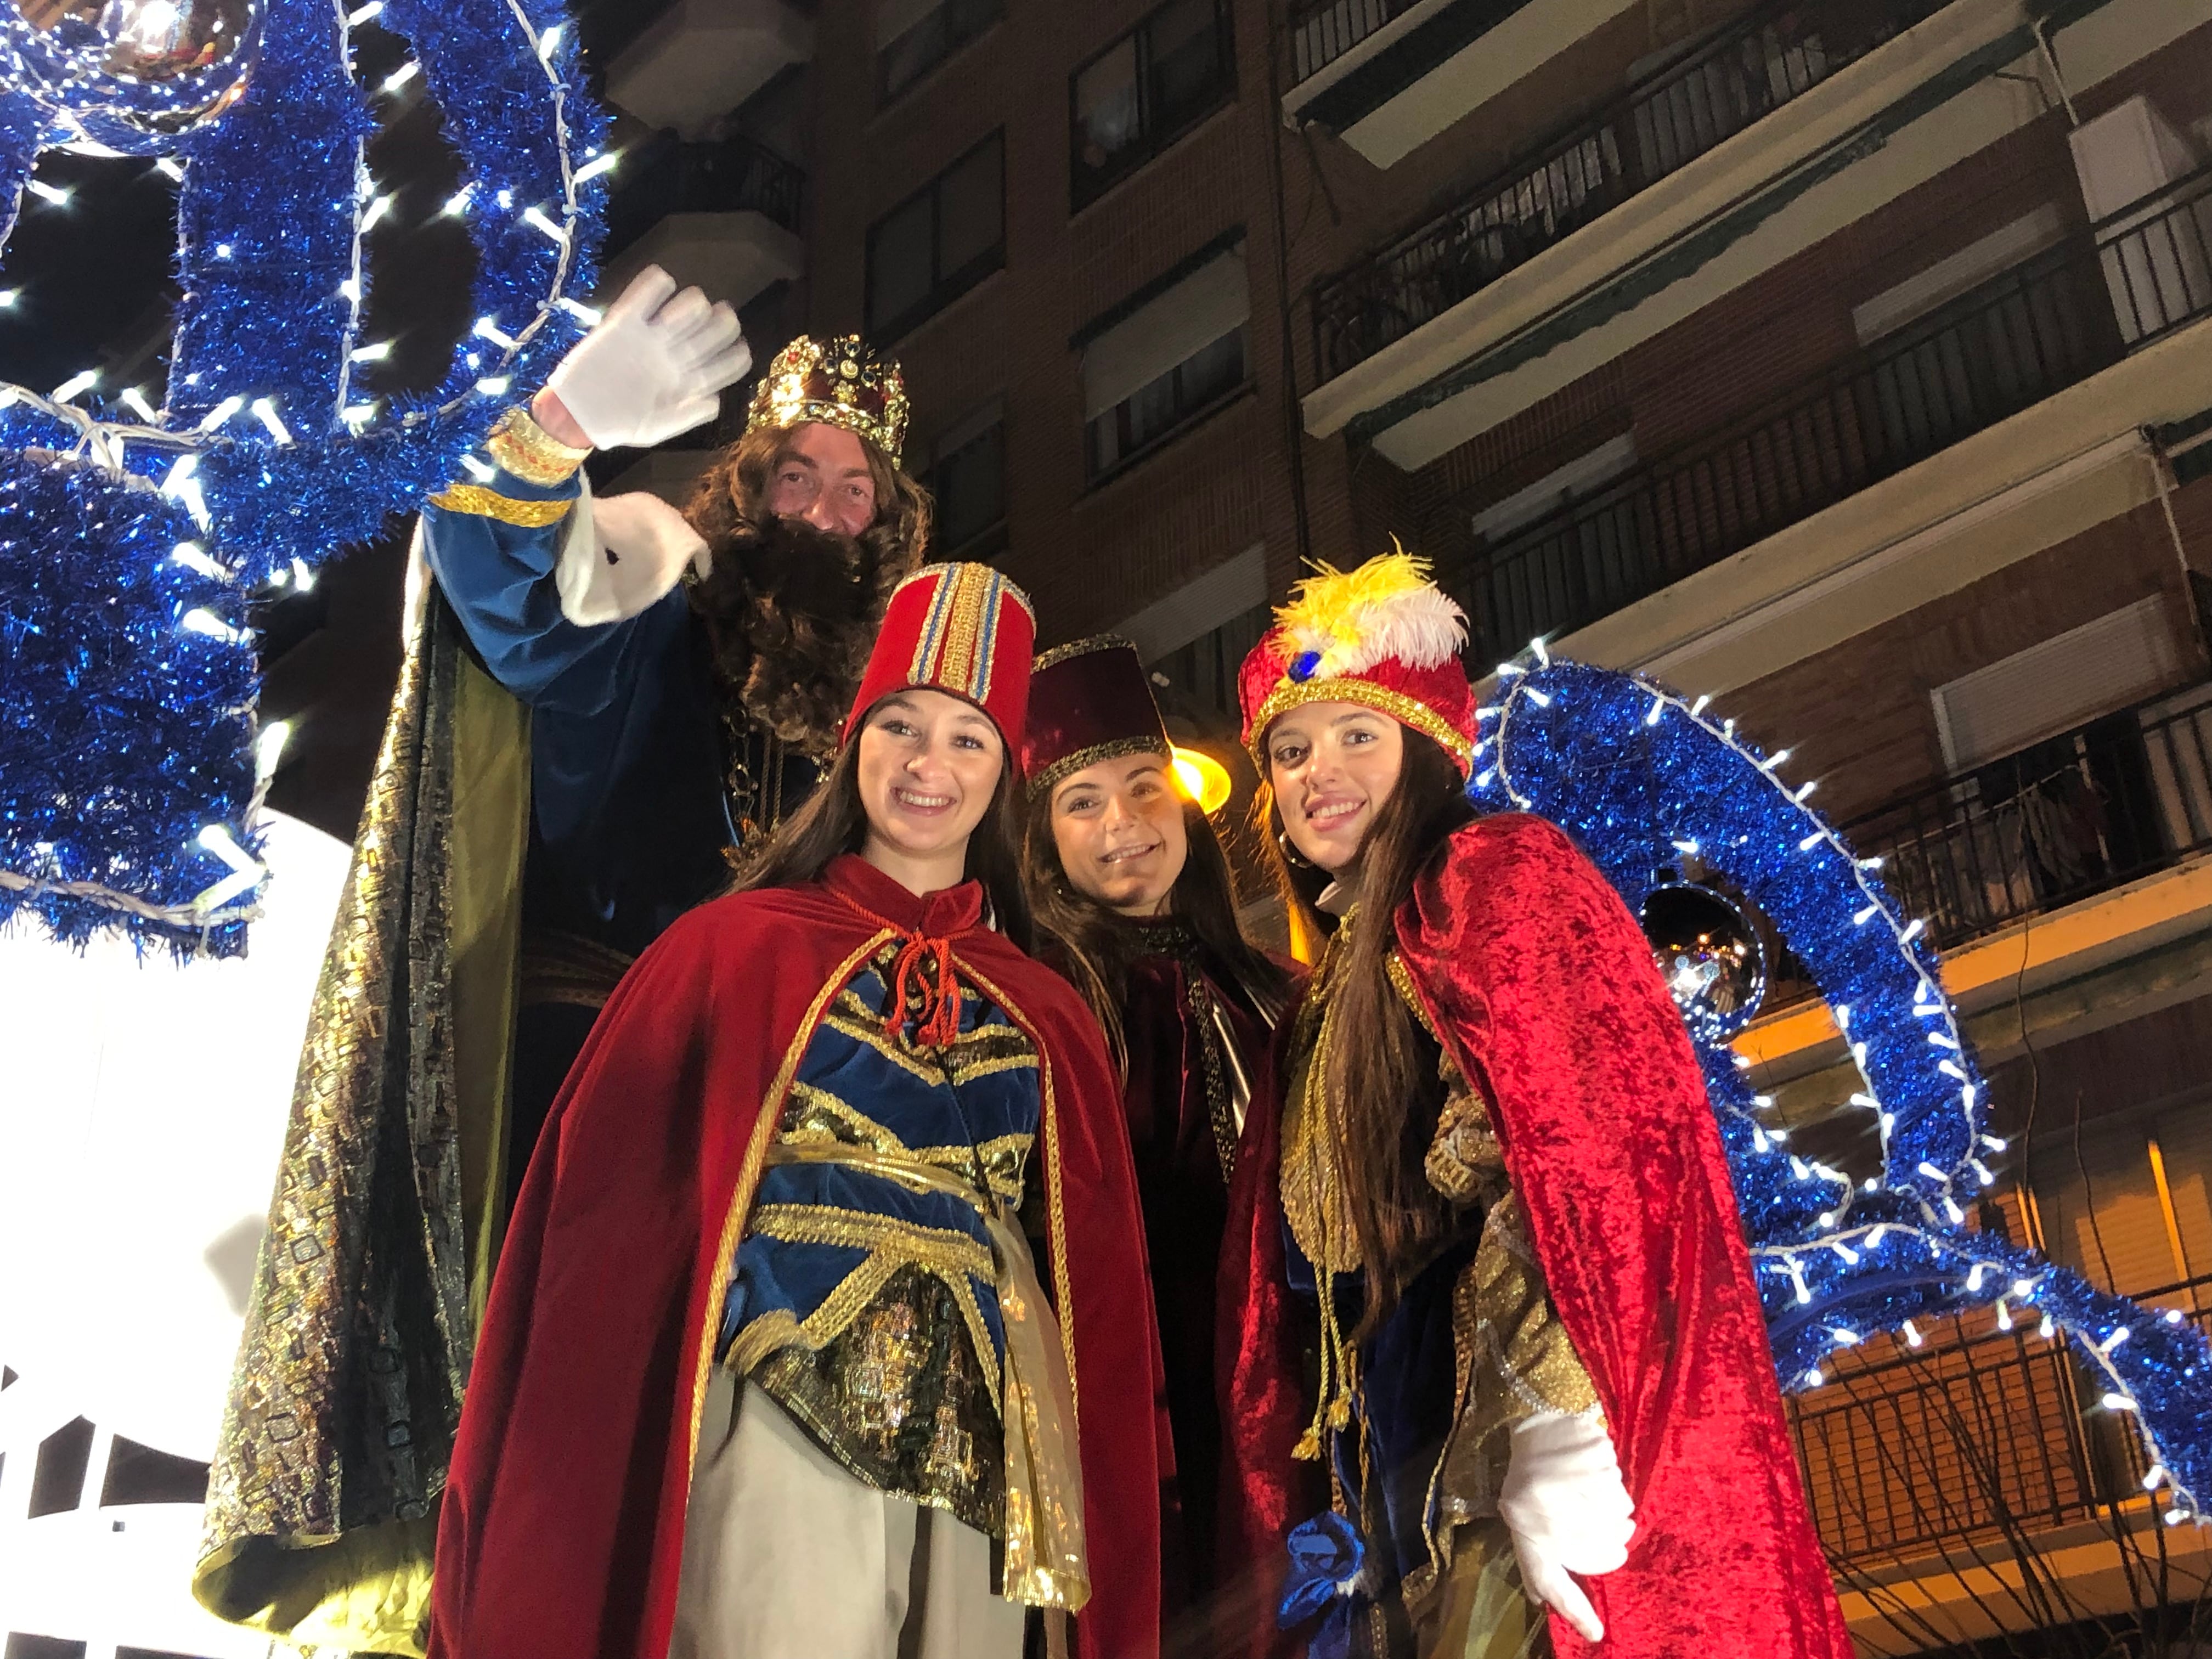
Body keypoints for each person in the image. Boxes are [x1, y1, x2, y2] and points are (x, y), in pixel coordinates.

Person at [193, 272, 930, 1651]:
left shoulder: (890, 731)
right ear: (747, 485)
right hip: (604, 1083)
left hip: (801, 1135)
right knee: (568, 1456)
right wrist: (557, 430)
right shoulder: (660, 601)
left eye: (858, 495)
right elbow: (512, 592)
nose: (826, 513)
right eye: (801, 478)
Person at [429, 563, 1165, 1659]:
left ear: (1003, 772)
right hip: (778, 1395)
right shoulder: (729, 949)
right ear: (853, 742)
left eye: (968, 740)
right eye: (903, 727)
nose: (929, 765)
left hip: (992, 1439)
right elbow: (605, 1230)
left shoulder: (1046, 1007)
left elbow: (1101, 1288)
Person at [1218, 552, 1854, 1658]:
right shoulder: (1321, 997)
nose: (1320, 769)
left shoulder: (1494, 879)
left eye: (1356, 736)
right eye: (1291, 749)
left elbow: (1587, 1158)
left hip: (1501, 1442)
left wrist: (1566, 1413)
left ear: (1424, 751)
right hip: (1390, 1466)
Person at [1018, 635, 1295, 1643]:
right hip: (1138, 1414)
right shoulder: (1042, 1009)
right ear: (1044, 841)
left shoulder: (1282, 993)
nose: (1125, 823)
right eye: (1083, 802)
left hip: (1295, 1391)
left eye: (1145, 788)